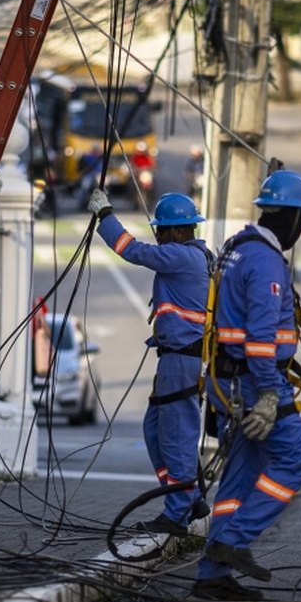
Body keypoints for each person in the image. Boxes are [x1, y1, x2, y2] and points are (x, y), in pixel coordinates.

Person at [190, 170, 301, 602]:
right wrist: (267, 395)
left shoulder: (237, 249)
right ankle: (234, 542)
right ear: (292, 217)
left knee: (241, 477)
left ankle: (212, 573)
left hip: (229, 381)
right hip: (255, 383)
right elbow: (261, 339)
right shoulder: (265, 260)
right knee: (298, 458)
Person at [87, 191, 213, 534]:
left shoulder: (182, 256)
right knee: (155, 430)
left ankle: (176, 513)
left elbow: (133, 250)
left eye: (161, 230)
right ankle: (188, 496)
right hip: (174, 357)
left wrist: (106, 216)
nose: (157, 236)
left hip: (181, 360)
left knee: (175, 436)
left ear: (175, 232)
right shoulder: (192, 255)